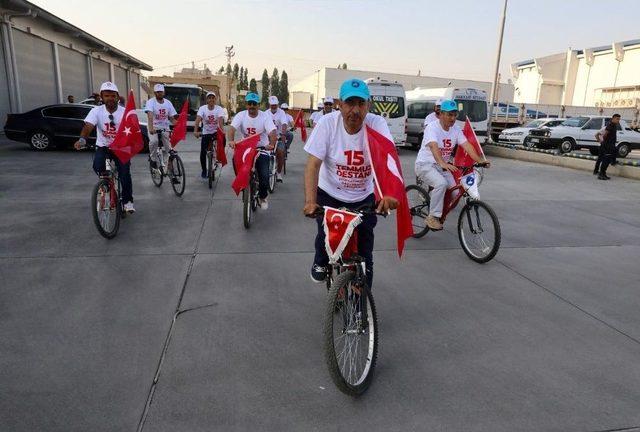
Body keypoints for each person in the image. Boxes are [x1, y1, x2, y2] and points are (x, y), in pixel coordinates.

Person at [303, 78, 398, 288]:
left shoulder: (377, 123)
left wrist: (388, 193)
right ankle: (321, 260)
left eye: (361, 104)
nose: (355, 110)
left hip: (363, 197)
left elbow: (388, 159)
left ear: (368, 105)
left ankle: (360, 307)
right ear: (340, 103)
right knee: (325, 235)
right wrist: (311, 202)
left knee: (365, 253)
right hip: (329, 194)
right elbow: (313, 165)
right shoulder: (328, 124)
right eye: (350, 103)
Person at [415, 99, 490, 231]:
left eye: (455, 114)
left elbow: (466, 145)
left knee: (456, 191)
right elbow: (433, 146)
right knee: (441, 184)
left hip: (441, 166)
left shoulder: (455, 129)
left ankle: (436, 205)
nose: (453, 118)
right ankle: (432, 216)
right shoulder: (432, 127)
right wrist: (443, 162)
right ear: (441, 114)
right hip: (425, 165)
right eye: (450, 114)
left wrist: (480, 160)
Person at [73, 82, 135, 213]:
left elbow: (133, 129)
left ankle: (128, 201)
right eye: (106, 95)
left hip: (121, 147)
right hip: (103, 146)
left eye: (113, 95)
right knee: (97, 165)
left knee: (125, 174)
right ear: (102, 97)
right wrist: (82, 139)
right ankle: (106, 183)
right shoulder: (96, 111)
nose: (110, 98)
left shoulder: (125, 112)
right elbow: (88, 126)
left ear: (118, 97)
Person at [228, 92, 277, 209]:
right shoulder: (241, 115)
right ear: (246, 105)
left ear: (258, 105)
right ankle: (243, 183)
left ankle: (262, 196)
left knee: (264, 177)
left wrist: (271, 143)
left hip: (262, 149)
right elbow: (231, 129)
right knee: (235, 159)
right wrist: (231, 140)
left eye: (254, 104)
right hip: (246, 149)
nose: (252, 106)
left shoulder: (265, 116)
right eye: (249, 103)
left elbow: (272, 132)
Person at [145, 84, 178, 176]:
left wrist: (177, 124)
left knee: (169, 148)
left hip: (165, 127)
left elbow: (171, 117)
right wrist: (151, 128)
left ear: (164, 92)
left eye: (161, 92)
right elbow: (150, 115)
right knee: (154, 141)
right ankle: (153, 159)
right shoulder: (151, 102)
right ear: (155, 93)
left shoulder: (168, 103)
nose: (160, 93)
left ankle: (168, 169)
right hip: (154, 127)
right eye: (158, 92)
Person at [194, 91, 225, 179]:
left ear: (215, 99)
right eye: (209, 98)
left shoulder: (219, 109)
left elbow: (220, 121)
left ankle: (219, 155)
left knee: (223, 139)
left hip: (216, 131)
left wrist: (222, 131)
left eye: (213, 98)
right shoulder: (202, 108)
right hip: (206, 132)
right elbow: (198, 119)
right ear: (207, 100)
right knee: (203, 152)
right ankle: (204, 170)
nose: (211, 99)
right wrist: (195, 131)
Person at [264, 96, 289, 182]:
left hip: (278, 136)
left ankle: (278, 173)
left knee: (281, 152)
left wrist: (283, 134)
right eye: (272, 105)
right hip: (268, 137)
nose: (273, 106)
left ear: (277, 104)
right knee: (263, 153)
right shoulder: (265, 113)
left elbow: (284, 124)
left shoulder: (281, 112)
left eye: (275, 105)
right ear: (269, 105)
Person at [594, 114, 620, 180]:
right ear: (613, 118)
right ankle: (601, 174)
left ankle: (603, 173)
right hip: (608, 145)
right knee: (605, 160)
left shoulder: (614, 125)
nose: (618, 120)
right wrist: (604, 142)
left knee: (608, 158)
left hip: (610, 145)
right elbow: (605, 134)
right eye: (617, 119)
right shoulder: (610, 125)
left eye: (619, 119)